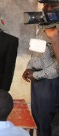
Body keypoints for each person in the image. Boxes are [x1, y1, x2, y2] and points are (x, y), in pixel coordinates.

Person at [22, 1, 59, 136]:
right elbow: (36, 51)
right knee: (37, 118)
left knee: (47, 121)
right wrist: (29, 67)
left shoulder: (56, 32)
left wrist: (37, 75)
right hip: (37, 81)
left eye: (52, 6)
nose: (47, 9)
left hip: (50, 82)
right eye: (45, 6)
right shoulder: (43, 27)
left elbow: (57, 66)